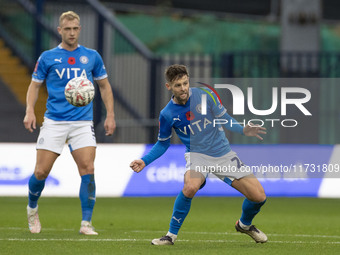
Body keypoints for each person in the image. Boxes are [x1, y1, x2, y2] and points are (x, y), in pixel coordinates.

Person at [130, 64, 267, 245]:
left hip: (223, 153)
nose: (183, 88)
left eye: (185, 83)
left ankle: (244, 225)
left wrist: (243, 130)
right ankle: (170, 236)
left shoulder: (205, 95)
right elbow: (163, 144)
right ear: (168, 87)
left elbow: (225, 119)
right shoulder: (167, 114)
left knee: (259, 197)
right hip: (197, 156)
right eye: (178, 85)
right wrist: (144, 160)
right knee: (190, 187)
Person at [23, 11, 116, 235]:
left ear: (80, 29)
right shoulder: (47, 57)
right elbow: (34, 85)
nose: (72, 33)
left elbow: (104, 86)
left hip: (82, 122)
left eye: (75, 28)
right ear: (60, 30)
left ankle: (86, 223)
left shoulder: (92, 56)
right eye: (67, 29)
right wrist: (29, 111)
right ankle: (32, 208)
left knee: (88, 169)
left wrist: (110, 114)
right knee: (41, 172)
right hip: (54, 121)